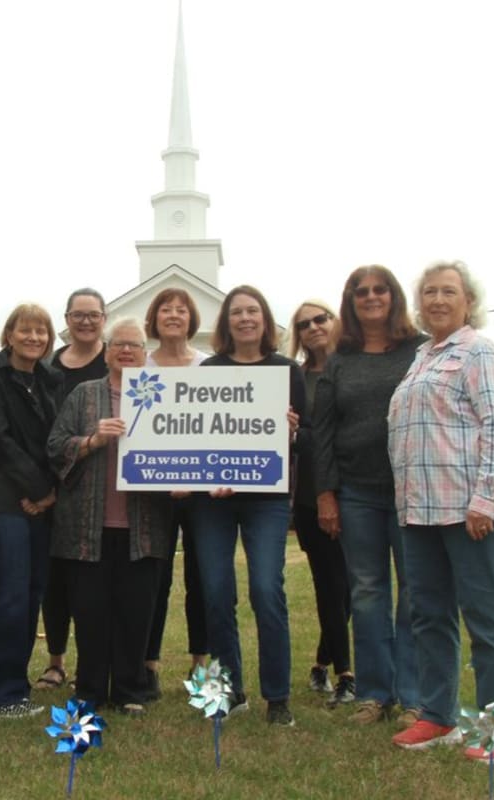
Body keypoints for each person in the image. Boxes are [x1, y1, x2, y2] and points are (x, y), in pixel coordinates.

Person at [388, 261, 494, 761]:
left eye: (448, 292)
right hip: (421, 514)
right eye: (429, 293)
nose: (438, 300)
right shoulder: (422, 357)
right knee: (429, 618)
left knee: (488, 622)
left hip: (472, 511)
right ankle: (437, 716)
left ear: (468, 301)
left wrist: (487, 498)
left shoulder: (479, 351)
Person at [312, 265, 426, 727]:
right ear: (351, 301)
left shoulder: (421, 350)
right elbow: (322, 432)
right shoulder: (339, 358)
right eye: (362, 292)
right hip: (356, 492)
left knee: (415, 593)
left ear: (394, 297)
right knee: (367, 594)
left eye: (381, 290)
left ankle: (415, 695)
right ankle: (375, 695)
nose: (372, 297)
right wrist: (325, 494)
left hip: (415, 491)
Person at [47, 318, 171, 714]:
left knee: (136, 613)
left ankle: (131, 691)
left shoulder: (165, 394)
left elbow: (187, 443)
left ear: (144, 352)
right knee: (90, 613)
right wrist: (92, 441)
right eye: (119, 344)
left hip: (144, 528)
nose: (127, 351)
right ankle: (90, 690)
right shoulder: (84, 395)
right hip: (89, 529)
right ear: (106, 351)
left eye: (135, 345)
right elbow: (55, 447)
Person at [193, 285, 304, 726]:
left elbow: (305, 437)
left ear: (264, 319)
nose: (245, 318)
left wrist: (293, 432)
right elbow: (196, 433)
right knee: (217, 594)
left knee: (266, 591)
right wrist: (203, 477)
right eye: (236, 312)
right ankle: (228, 691)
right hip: (213, 501)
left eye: (252, 311)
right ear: (226, 322)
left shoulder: (287, 370)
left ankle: (277, 698)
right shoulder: (208, 370)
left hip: (267, 499)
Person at [0, 303, 59, 717]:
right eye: (26, 330)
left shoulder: (50, 379)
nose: (34, 338)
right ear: (9, 334)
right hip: (0, 497)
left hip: (40, 503)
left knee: (32, 591)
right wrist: (37, 488)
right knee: (9, 592)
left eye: (41, 332)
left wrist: (46, 494)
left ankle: (16, 684)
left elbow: (56, 440)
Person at [34, 289, 108, 691]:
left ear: (104, 318)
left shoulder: (115, 360)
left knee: (92, 583)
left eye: (93, 315)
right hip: (55, 484)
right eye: (78, 315)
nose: (85, 321)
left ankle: (90, 664)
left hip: (103, 490)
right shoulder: (49, 367)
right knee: (56, 580)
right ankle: (55, 662)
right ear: (66, 318)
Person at [287, 300, 355, 707]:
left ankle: (320, 663)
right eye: (304, 324)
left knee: (352, 587)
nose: (313, 327)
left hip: (360, 491)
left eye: (320, 319)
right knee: (330, 585)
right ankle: (346, 674)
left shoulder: (354, 365)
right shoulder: (295, 377)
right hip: (313, 496)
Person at [141, 288, 208, 691]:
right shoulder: (141, 367)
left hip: (199, 493)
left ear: (191, 318)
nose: (173, 314)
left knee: (201, 577)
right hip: (153, 491)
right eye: (165, 308)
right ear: (154, 317)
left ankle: (201, 662)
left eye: (181, 309)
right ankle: (148, 663)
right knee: (155, 578)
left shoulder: (207, 366)